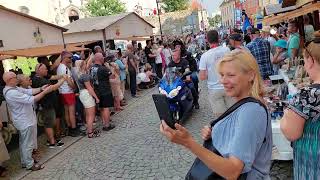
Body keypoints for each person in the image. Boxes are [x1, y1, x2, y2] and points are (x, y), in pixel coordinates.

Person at [160, 49, 272, 179]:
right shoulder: (245, 105)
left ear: (251, 75)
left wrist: (188, 142)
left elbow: (233, 171)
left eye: (230, 75)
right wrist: (215, 133)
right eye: (222, 75)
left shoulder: (251, 111)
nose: (222, 81)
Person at [280, 31, 320, 180]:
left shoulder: (309, 95)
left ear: (310, 61)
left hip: (313, 165)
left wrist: (286, 114)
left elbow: (291, 132)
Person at [3, 72, 53, 171]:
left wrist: (41, 89)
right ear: (9, 80)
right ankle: (30, 164)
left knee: (24, 143)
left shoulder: (12, 88)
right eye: (14, 78)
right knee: (28, 144)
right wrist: (45, 92)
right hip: (25, 120)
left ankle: (25, 162)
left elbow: (29, 92)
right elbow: (31, 99)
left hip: (24, 120)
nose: (17, 79)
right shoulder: (12, 92)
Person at [32, 64, 66, 147]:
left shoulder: (42, 77)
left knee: (51, 122)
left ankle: (52, 139)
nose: (47, 70)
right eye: (45, 69)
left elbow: (53, 77)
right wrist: (63, 80)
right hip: (46, 105)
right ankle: (52, 142)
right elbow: (53, 87)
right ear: (38, 70)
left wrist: (62, 75)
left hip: (49, 104)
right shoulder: (39, 80)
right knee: (49, 124)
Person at [199, 30, 231, 116]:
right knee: (233, 114)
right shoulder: (227, 50)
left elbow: (202, 77)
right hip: (228, 86)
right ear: (218, 38)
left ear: (207, 40)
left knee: (221, 118)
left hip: (214, 89)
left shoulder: (204, 56)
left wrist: (211, 71)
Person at [74, 60, 100, 138]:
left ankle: (89, 130)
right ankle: (90, 132)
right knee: (91, 115)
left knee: (88, 114)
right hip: (86, 94)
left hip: (82, 94)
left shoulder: (78, 75)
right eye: (85, 64)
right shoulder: (84, 76)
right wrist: (96, 97)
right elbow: (89, 88)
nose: (87, 65)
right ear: (82, 66)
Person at [90, 53, 115, 131]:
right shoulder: (103, 68)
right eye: (103, 58)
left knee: (101, 108)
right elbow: (112, 76)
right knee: (106, 108)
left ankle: (104, 122)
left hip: (97, 90)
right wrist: (109, 68)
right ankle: (107, 125)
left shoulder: (92, 68)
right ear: (101, 59)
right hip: (105, 90)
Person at [56, 51, 78, 137]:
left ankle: (69, 128)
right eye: (69, 57)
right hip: (68, 91)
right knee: (71, 111)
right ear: (64, 58)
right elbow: (69, 82)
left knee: (66, 111)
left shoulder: (59, 67)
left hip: (62, 91)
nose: (71, 59)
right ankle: (73, 129)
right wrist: (74, 88)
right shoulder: (64, 68)